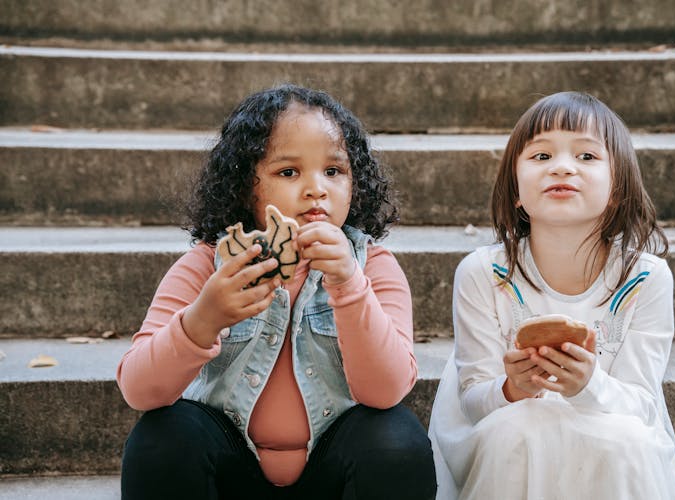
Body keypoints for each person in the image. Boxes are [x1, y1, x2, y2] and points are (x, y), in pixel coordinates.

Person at [117, 84, 437, 500]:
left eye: (334, 171)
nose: (316, 188)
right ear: (246, 185)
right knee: (161, 438)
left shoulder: (372, 267)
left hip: (332, 479)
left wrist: (348, 286)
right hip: (231, 476)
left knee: (396, 439)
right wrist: (203, 319)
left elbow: (387, 390)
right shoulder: (207, 265)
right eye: (289, 172)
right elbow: (139, 390)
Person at [428, 92, 675, 499]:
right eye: (542, 156)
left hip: (609, 421)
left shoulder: (645, 277)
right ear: (516, 190)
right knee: (516, 428)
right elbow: (473, 401)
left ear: (616, 189)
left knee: (625, 440)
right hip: (506, 425)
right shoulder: (483, 273)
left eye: (586, 156)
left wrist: (589, 383)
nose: (563, 167)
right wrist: (512, 388)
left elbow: (642, 405)